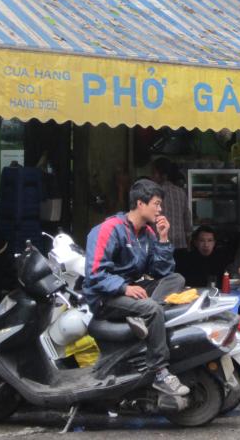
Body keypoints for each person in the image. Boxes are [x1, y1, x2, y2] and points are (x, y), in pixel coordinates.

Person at [83, 179, 189, 397]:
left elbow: (162, 272)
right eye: (157, 204)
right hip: (106, 297)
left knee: (176, 279)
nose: (160, 210)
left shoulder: (148, 234)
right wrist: (124, 288)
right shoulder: (109, 229)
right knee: (150, 308)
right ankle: (159, 371)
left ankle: (145, 316)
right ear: (141, 203)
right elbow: (94, 273)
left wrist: (163, 238)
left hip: (132, 290)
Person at [151, 157, 192, 250]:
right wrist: (188, 241)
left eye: (154, 173)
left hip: (159, 245)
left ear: (163, 175)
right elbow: (187, 220)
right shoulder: (180, 192)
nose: (152, 177)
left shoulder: (152, 193)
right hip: (180, 245)